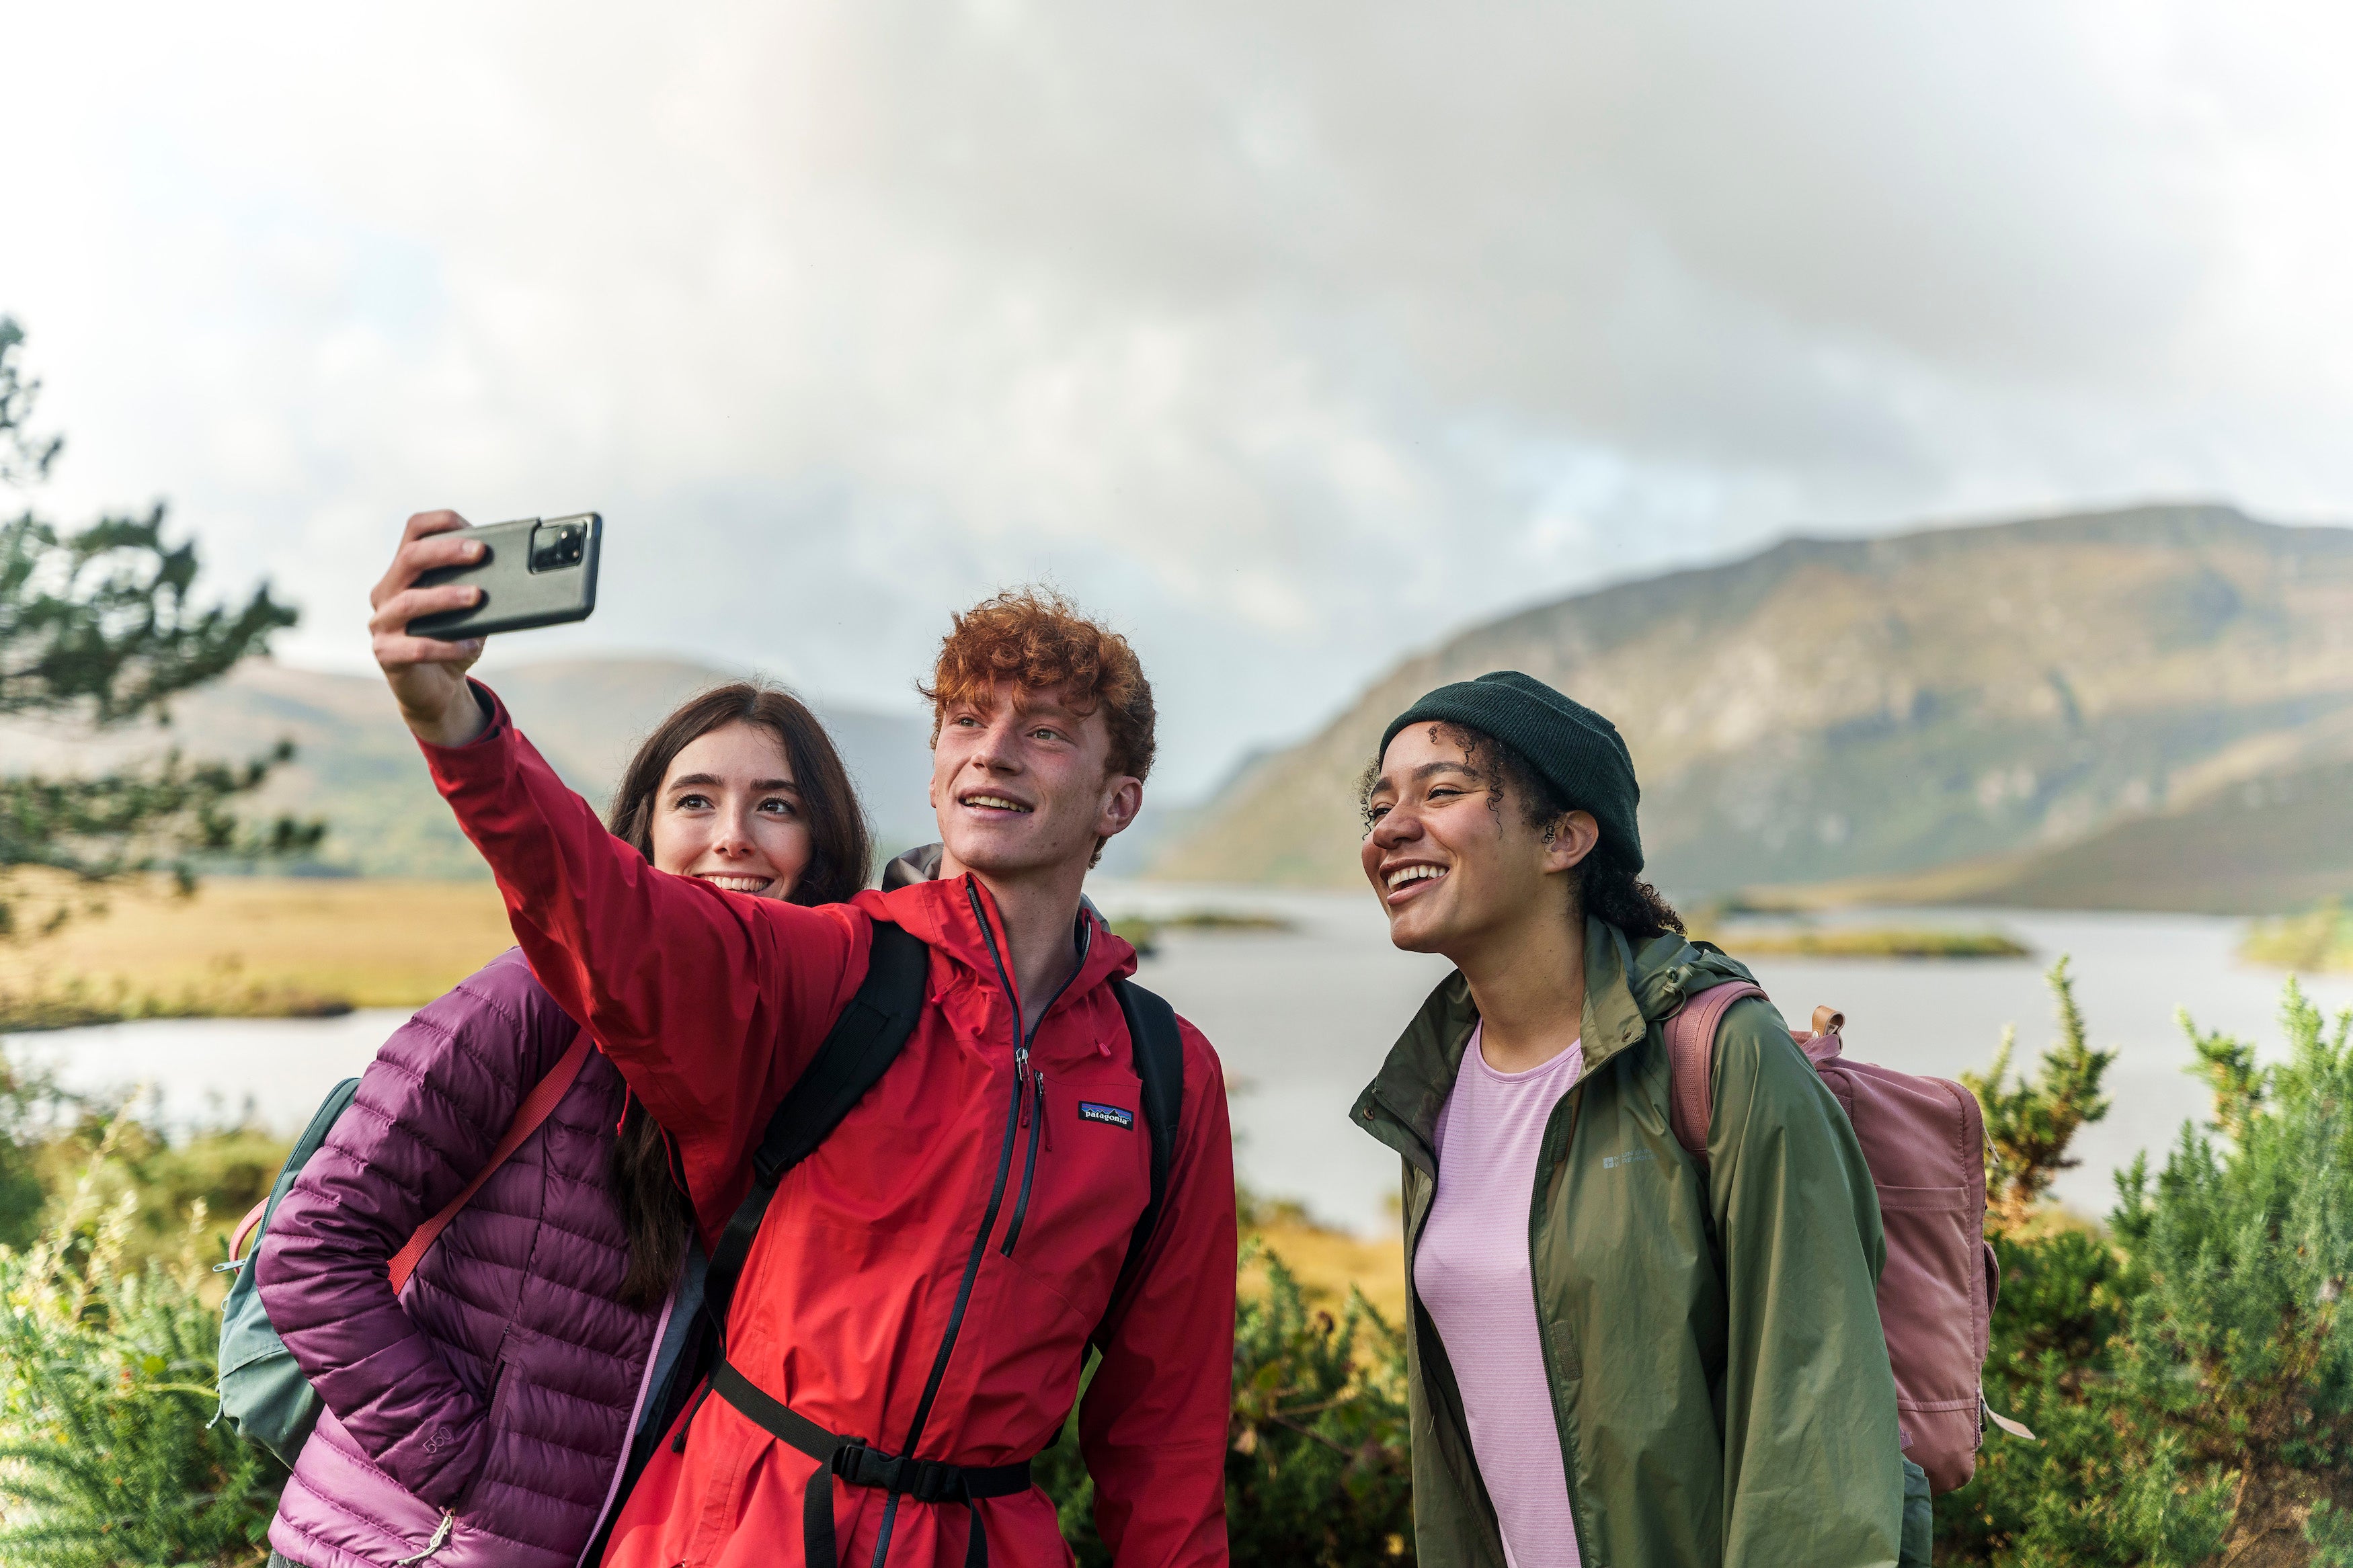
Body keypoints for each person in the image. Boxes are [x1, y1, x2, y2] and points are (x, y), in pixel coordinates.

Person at [366, 510, 1238, 1568]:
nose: (993, 753)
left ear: (1119, 800)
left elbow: (1168, 1426)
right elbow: (607, 906)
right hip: (743, 1524)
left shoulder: (1164, 1073)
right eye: (965, 723)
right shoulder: (838, 964)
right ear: (932, 774)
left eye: (1045, 731)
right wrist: (456, 725)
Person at [255, 681, 872, 1568]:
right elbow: (312, 1242)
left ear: (819, 847)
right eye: (696, 800)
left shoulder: (810, 1066)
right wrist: (457, 1463)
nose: (734, 834)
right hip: (397, 1550)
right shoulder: (538, 998)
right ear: (641, 836)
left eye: (776, 805)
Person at [1350, 671, 1913, 1568]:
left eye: (1442, 790)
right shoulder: (1433, 1091)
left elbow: (1817, 1452)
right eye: (1380, 805)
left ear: (1566, 836)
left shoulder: (1721, 1054)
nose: (1388, 829)